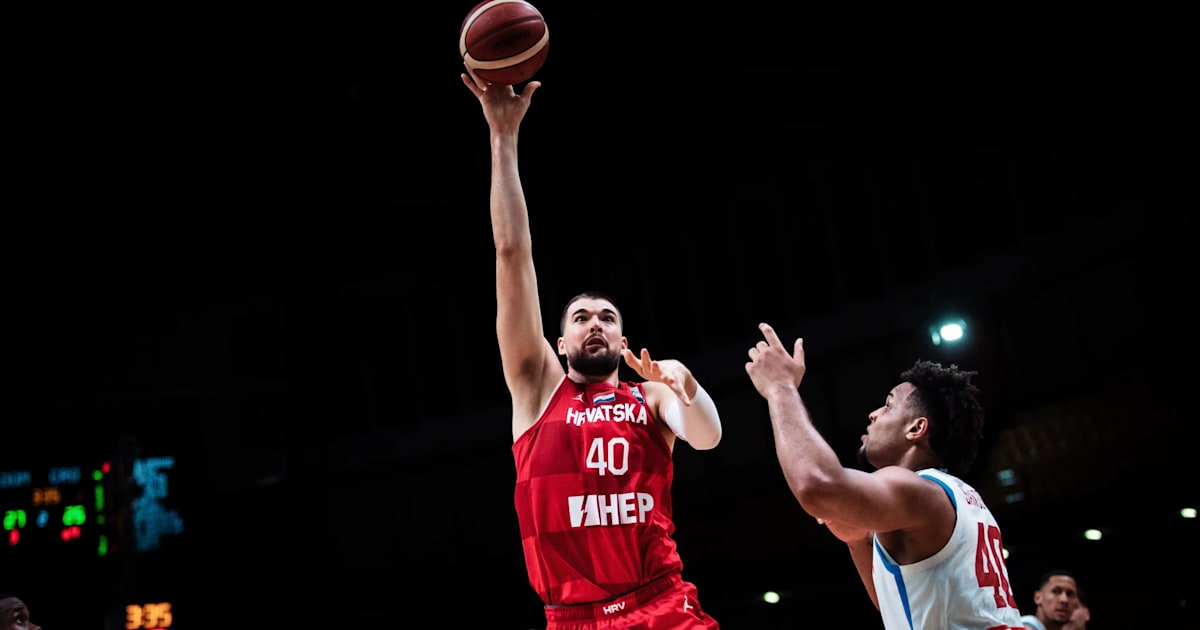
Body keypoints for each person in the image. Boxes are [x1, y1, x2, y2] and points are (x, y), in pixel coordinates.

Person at [461, 71, 723, 628]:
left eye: (607, 317)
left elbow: (708, 436)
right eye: (580, 318)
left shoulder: (648, 399)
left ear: (623, 341)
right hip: (572, 617)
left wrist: (686, 387)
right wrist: (502, 137)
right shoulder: (535, 391)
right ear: (560, 343)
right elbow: (511, 253)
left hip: (662, 605)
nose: (594, 324)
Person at [744, 322, 1023, 629]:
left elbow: (815, 484)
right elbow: (901, 606)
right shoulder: (959, 496)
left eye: (889, 405)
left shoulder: (917, 488)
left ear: (916, 428)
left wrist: (780, 388)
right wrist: (858, 542)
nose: (874, 413)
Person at [1021, 569, 1090, 630]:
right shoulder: (1023, 627)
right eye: (1056, 591)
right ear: (1038, 597)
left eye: (1070, 594)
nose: (1064, 600)